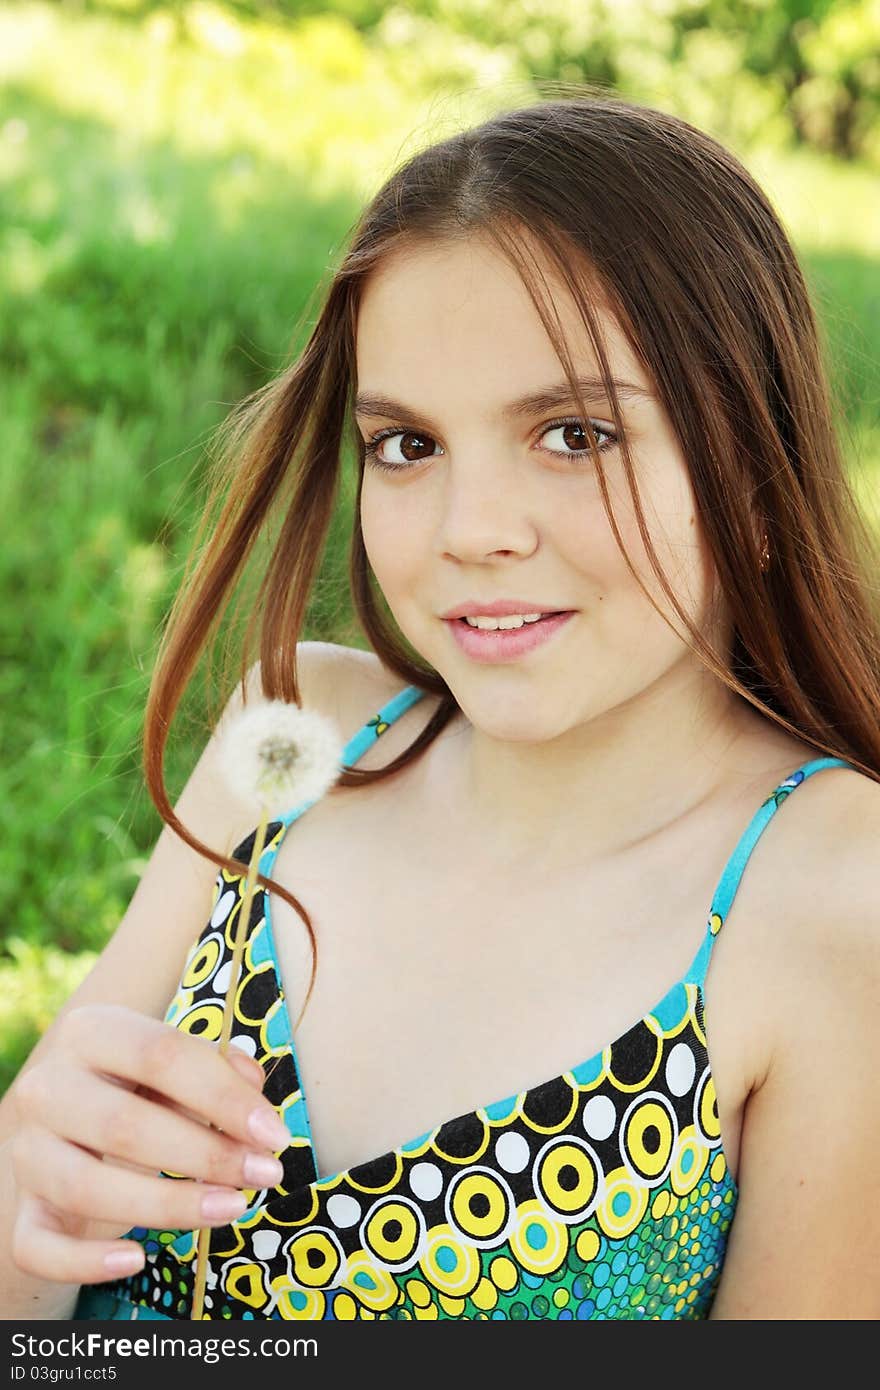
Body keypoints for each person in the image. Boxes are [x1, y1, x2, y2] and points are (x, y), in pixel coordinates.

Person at [1, 88, 878, 1323]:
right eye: (406, 445)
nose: (470, 533)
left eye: (572, 434)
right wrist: (33, 1204)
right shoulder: (299, 731)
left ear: (748, 461)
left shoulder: (834, 894)